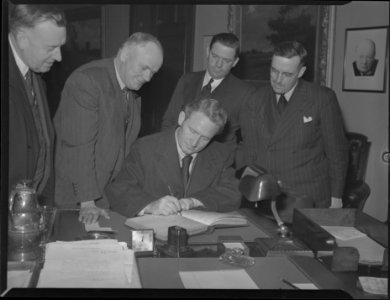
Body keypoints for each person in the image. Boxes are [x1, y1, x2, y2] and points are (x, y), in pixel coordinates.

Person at [54, 32, 164, 224]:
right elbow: (77, 146)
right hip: (79, 200)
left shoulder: (131, 90)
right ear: (123, 55)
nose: (148, 77)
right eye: (144, 68)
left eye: (153, 72)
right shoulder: (87, 81)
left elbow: (124, 148)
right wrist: (87, 202)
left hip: (106, 197)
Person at [239, 41, 349, 223]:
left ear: (301, 72)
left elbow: (337, 153)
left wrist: (336, 198)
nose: (278, 79)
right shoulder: (254, 99)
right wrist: (245, 187)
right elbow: (248, 148)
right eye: (274, 71)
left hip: (306, 198)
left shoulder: (322, 99)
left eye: (287, 74)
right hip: (264, 198)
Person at [105, 98, 241, 218]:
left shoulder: (220, 154)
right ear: (182, 118)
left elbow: (233, 194)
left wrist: (193, 201)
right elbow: (119, 190)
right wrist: (151, 205)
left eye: (205, 138)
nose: (194, 143)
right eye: (193, 131)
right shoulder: (145, 148)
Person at [8, 4, 67, 205]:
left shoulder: (37, 76)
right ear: (23, 38)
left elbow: (43, 146)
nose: (59, 57)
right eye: (51, 48)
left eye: (60, 47)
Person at [161, 32, 255, 153]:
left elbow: (250, 142)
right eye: (215, 56)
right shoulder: (186, 80)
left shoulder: (246, 93)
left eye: (226, 60)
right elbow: (169, 121)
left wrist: (230, 164)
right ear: (207, 52)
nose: (218, 64)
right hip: (177, 154)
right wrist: (168, 152)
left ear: (235, 62)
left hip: (216, 164)